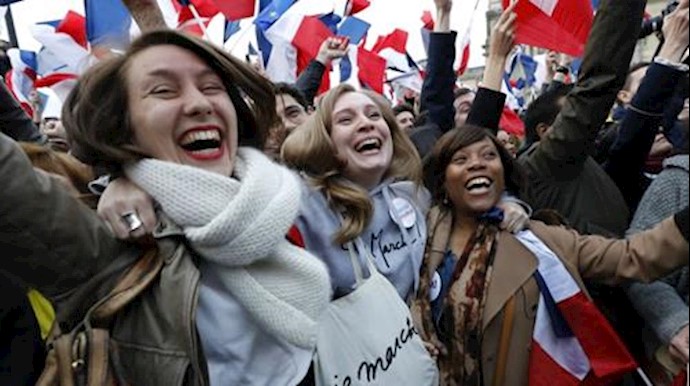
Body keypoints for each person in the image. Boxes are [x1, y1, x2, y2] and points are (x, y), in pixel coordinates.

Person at [0, 29, 332, 385]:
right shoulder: (111, 248)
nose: (200, 104)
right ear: (123, 128)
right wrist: (119, 177)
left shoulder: (276, 199)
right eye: (163, 91)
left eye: (212, 88)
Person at [412, 124, 690, 386]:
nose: (477, 163)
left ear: (503, 173)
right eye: (461, 160)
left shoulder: (541, 239)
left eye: (489, 155)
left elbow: (632, 256)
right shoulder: (418, 237)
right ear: (443, 182)